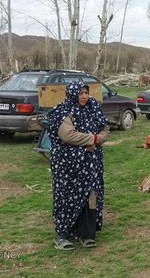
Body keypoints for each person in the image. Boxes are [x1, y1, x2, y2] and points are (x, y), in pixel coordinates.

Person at [49, 81, 110, 250]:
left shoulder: (93, 108)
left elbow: (105, 129)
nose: (85, 96)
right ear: (72, 93)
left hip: (91, 162)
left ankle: (86, 233)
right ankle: (62, 234)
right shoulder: (63, 110)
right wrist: (92, 140)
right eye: (81, 93)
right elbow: (67, 135)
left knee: (90, 196)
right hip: (67, 164)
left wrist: (97, 141)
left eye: (86, 92)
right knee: (67, 195)